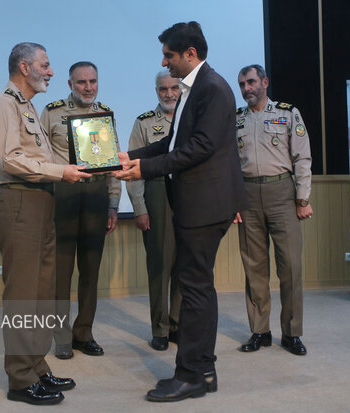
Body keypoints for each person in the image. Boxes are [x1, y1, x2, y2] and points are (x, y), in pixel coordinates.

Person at [114, 21, 246, 402]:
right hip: (198, 203)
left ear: (190, 54)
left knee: (194, 290)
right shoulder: (196, 86)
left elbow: (200, 148)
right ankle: (203, 370)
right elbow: (172, 142)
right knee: (197, 286)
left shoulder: (213, 88)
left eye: (168, 55)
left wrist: (145, 170)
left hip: (205, 206)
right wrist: (130, 157)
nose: (164, 61)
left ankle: (190, 376)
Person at [0, 42, 88, 405]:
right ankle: (19, 380)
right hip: (18, 201)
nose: (51, 71)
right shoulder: (4, 105)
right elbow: (11, 159)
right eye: (45, 64)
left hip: (41, 202)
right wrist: (62, 171)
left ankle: (36, 368)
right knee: (23, 296)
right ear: (24, 68)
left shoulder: (27, 107)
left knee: (42, 295)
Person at [40, 61, 121, 359]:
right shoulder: (51, 112)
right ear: (70, 85)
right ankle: (61, 337)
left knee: (90, 271)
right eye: (81, 82)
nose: (88, 87)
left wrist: (113, 204)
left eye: (93, 81)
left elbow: (113, 164)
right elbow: (39, 157)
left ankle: (83, 333)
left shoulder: (105, 114)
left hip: (97, 197)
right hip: (63, 196)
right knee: (61, 272)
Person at [233, 64, 312, 357]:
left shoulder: (288, 113)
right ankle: (260, 331)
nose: (247, 89)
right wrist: (233, 202)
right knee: (254, 267)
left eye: (251, 82)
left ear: (264, 82)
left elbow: (302, 157)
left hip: (282, 194)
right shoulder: (235, 120)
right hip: (248, 195)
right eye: (242, 84)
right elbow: (229, 164)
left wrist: (302, 199)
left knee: (290, 267)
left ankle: (291, 333)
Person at [126, 70, 181, 351]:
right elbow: (132, 168)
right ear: (156, 91)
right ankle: (160, 329)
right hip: (157, 192)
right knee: (160, 264)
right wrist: (139, 208)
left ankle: (177, 324)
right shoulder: (144, 122)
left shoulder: (191, 117)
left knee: (185, 265)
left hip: (189, 194)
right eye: (162, 89)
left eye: (173, 88)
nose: (169, 94)